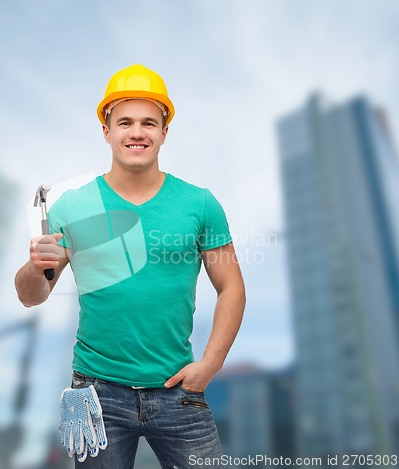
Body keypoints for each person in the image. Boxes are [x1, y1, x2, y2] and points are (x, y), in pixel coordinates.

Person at [15, 64, 246, 468]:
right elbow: (31, 297)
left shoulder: (200, 204)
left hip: (179, 391)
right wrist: (36, 267)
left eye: (148, 123)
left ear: (164, 132)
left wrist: (210, 364)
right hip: (97, 392)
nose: (137, 132)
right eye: (125, 122)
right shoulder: (72, 206)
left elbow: (231, 286)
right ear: (106, 131)